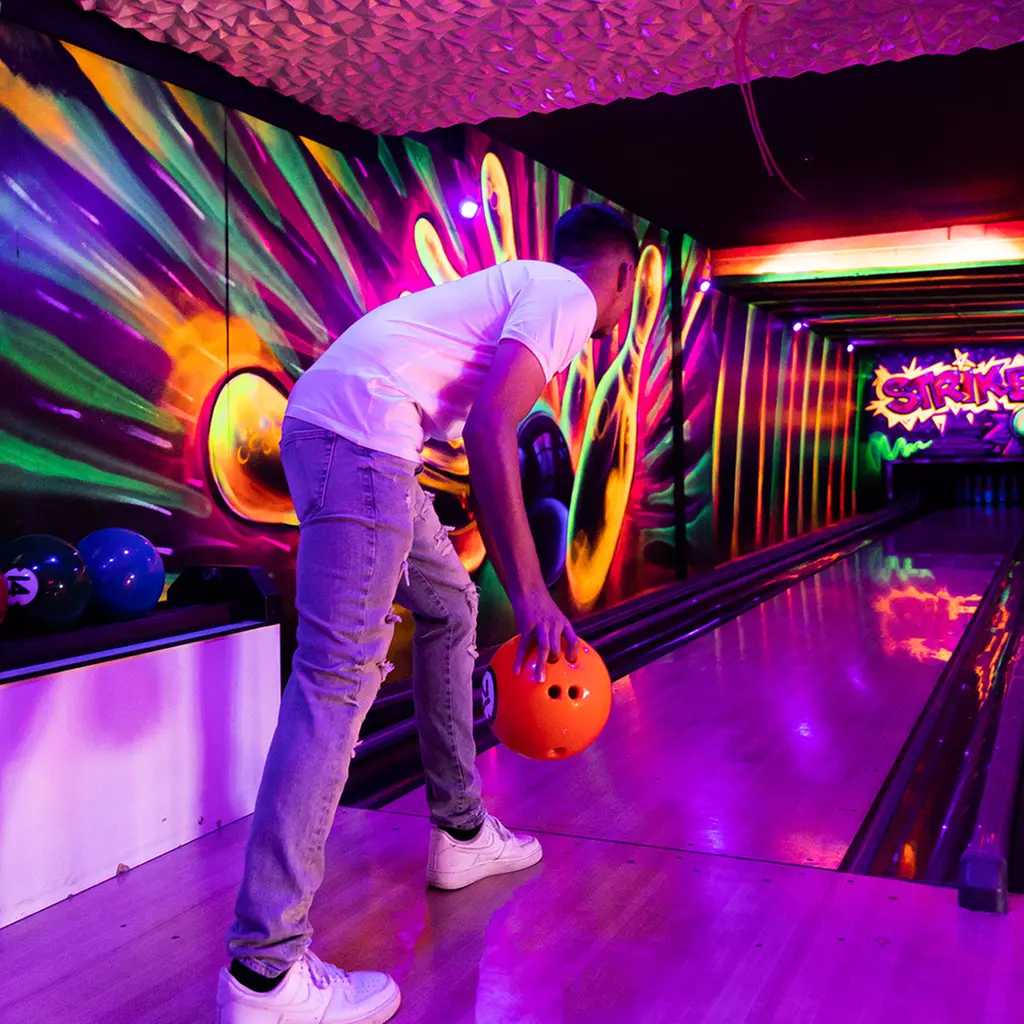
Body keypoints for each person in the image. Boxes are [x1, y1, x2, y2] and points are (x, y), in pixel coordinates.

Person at [217, 203, 639, 1023]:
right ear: (621, 271)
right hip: (362, 440)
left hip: (354, 438)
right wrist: (531, 591)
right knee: (338, 681)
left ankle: (462, 832)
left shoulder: (523, 285)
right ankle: (266, 973)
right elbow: (491, 429)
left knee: (447, 606)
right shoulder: (570, 295)